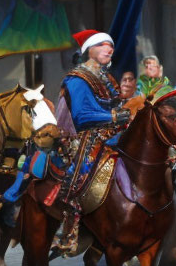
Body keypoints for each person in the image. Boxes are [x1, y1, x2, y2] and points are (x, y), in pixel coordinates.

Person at [53, 30, 144, 252]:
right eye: (103, 45)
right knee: (80, 173)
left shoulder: (105, 77)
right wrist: (113, 116)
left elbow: (114, 104)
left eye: (111, 45)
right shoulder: (78, 78)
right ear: (89, 50)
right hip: (85, 135)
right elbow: (81, 116)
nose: (109, 48)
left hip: (111, 132)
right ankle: (69, 225)